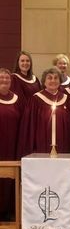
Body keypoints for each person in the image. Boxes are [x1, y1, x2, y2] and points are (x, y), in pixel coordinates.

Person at [17, 67, 70, 158]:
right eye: (49, 78)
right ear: (44, 81)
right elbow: (29, 126)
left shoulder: (66, 99)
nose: (53, 80)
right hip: (41, 145)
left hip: (63, 145)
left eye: (56, 78)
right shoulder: (36, 100)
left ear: (60, 81)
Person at [0, 68, 22, 221]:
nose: (4, 81)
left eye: (7, 78)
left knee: (9, 179)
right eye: (1, 78)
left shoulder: (17, 99)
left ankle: (7, 209)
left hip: (12, 145)